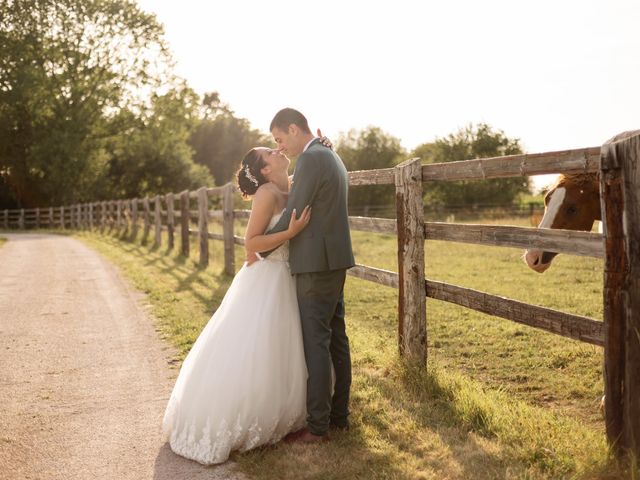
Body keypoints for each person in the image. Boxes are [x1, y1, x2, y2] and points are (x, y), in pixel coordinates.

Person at [162, 145, 312, 465]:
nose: (278, 149)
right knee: (258, 346)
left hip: (289, 276)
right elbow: (252, 244)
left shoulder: (292, 184)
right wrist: (291, 231)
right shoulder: (267, 193)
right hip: (267, 278)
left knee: (285, 348)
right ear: (265, 171)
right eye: (269, 152)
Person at [255, 108, 355, 443]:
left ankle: (318, 427)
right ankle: (339, 416)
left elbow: (295, 213)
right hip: (334, 260)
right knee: (336, 340)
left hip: (315, 263)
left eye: (280, 139)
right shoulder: (330, 154)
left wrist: (260, 250)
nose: (281, 147)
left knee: (316, 342)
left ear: (295, 129)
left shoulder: (312, 159)